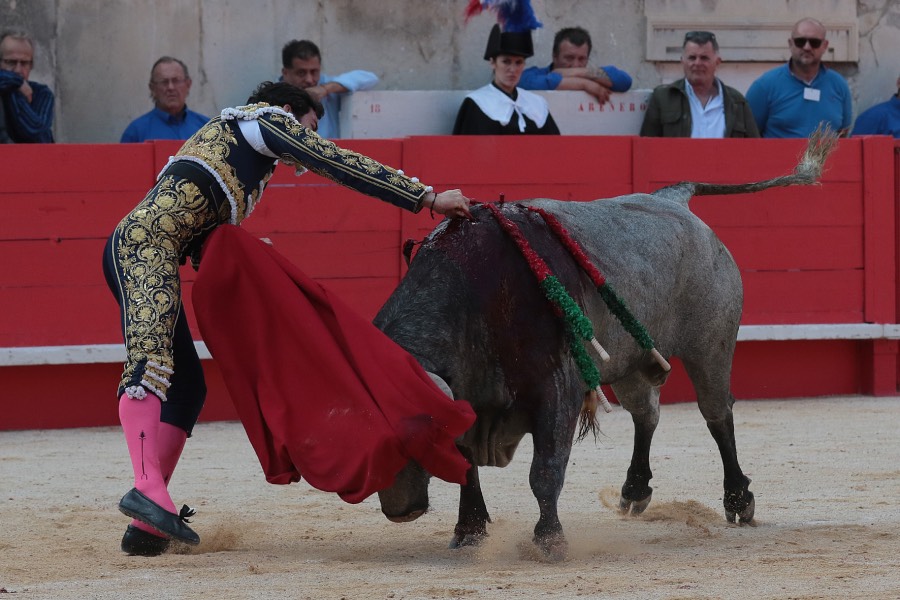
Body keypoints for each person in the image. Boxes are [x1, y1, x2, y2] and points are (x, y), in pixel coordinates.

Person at [103, 81, 474, 556]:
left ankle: (150, 521)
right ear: (289, 111)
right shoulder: (264, 121)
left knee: (188, 387)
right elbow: (335, 162)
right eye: (311, 126)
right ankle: (146, 489)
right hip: (141, 246)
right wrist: (426, 197)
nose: (309, 140)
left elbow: (201, 239)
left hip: (156, 246)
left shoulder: (234, 160)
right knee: (150, 365)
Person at [640, 30, 759, 138]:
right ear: (682, 61)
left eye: (704, 58)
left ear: (717, 62)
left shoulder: (737, 102)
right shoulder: (663, 98)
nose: (697, 63)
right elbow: (647, 149)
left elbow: (754, 150)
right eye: (692, 57)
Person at [746, 17, 852, 138]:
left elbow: (843, 134)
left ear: (824, 46)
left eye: (814, 42)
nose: (807, 47)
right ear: (790, 44)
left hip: (824, 157)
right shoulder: (765, 86)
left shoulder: (839, 85)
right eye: (800, 42)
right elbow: (749, 135)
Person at [453, 24, 560, 135]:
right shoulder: (477, 103)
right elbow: (467, 149)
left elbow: (555, 148)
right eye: (506, 62)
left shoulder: (537, 104)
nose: (512, 69)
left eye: (518, 62)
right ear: (493, 63)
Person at [280, 39, 377, 139]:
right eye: (301, 73)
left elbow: (370, 78)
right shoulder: (272, 95)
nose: (309, 80)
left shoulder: (327, 85)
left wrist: (326, 89)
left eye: (314, 72)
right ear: (285, 73)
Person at [519, 26, 632, 104]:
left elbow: (624, 81)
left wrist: (579, 72)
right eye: (569, 58)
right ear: (555, 56)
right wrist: (584, 84)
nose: (575, 65)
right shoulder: (536, 75)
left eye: (582, 59)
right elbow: (521, 81)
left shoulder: (595, 78)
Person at [120, 56, 209, 143]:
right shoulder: (136, 133)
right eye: (164, 82)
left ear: (188, 84)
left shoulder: (207, 128)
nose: (171, 87)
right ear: (152, 88)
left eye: (176, 80)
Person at [0, 30, 54, 143]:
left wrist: (11, 89)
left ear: (31, 65)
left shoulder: (42, 93)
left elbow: (35, 132)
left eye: (24, 63)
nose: (18, 70)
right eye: (11, 62)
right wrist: (17, 82)